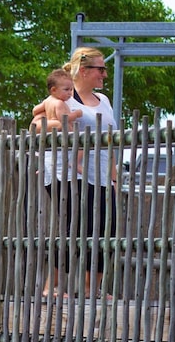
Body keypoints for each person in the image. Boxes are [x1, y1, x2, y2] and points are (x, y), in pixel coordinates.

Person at [34, 47, 117, 298]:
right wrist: (62, 123)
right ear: (83, 70)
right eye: (100, 69)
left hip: (100, 173)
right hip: (68, 173)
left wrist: (113, 178)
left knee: (106, 227)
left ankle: (92, 288)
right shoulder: (63, 96)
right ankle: (52, 287)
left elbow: (110, 139)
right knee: (76, 226)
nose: (104, 74)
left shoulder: (104, 100)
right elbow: (36, 124)